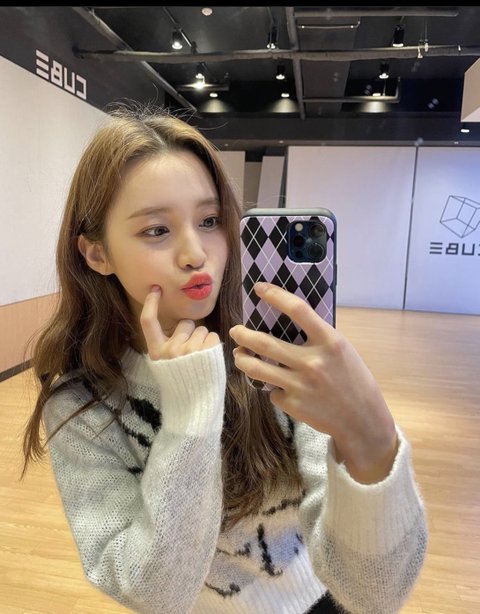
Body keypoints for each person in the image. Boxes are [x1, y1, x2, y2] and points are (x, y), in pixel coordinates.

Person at [22, 103, 427, 614]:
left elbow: (375, 593)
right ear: (96, 254)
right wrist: (190, 413)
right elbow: (155, 594)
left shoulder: (275, 359)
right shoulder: (84, 404)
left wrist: (371, 433)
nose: (196, 253)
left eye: (210, 220)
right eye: (156, 230)